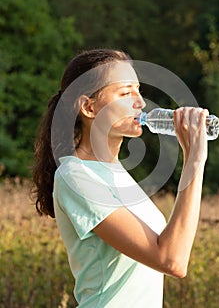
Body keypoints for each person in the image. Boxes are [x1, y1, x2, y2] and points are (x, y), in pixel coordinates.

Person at [32, 49, 209, 307]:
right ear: (89, 107)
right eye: (126, 93)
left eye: (138, 90)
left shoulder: (116, 174)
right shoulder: (76, 177)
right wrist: (194, 161)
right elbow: (172, 260)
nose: (141, 103)